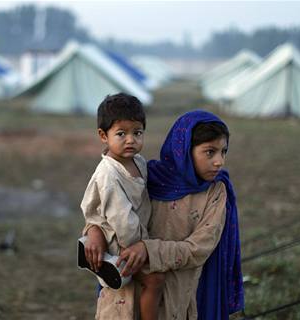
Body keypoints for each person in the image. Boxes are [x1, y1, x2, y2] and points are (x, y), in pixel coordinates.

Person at [86, 110, 244, 319]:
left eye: (223, 152)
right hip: (125, 290)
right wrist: (93, 230)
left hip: (176, 296)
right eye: (209, 152)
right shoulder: (149, 177)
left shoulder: (215, 192)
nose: (219, 161)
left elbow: (199, 248)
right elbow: (107, 208)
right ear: (185, 150)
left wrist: (148, 250)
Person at [80, 93, 165, 320]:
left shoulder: (138, 161)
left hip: (137, 237)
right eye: (121, 133)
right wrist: (143, 246)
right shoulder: (108, 173)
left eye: (137, 133)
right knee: (154, 280)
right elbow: (122, 219)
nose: (131, 140)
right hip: (122, 243)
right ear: (103, 135)